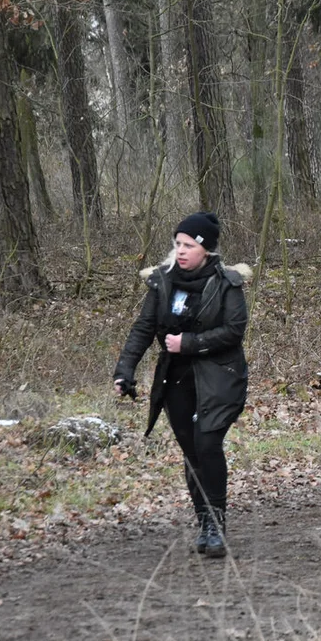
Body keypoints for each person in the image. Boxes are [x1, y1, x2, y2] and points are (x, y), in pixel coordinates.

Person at [113, 212, 249, 558]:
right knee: (191, 451)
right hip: (175, 378)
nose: (181, 251)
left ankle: (217, 524)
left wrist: (187, 343)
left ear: (206, 249)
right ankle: (204, 521)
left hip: (220, 376)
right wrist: (124, 371)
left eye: (189, 245)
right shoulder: (162, 283)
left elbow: (234, 331)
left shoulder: (227, 283)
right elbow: (143, 329)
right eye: (178, 244)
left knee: (207, 443)